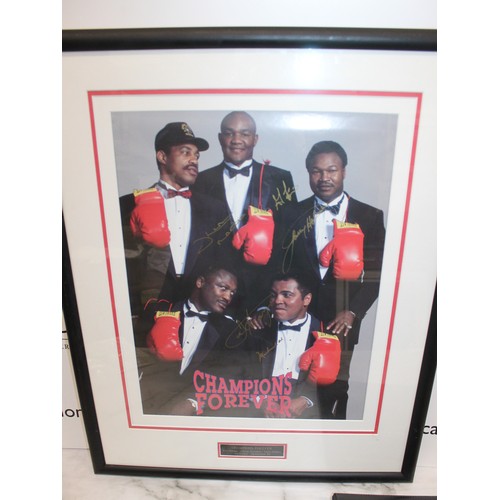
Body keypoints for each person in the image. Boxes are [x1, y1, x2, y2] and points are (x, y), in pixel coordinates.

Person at [270, 140, 386, 419]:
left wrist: (354, 312)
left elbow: (378, 274)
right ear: (308, 173)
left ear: (344, 171)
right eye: (316, 171)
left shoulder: (369, 216)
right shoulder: (290, 214)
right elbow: (276, 267)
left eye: (331, 170)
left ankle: (331, 437)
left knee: (335, 387)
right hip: (298, 315)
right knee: (291, 381)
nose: (324, 177)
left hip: (341, 319)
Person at [119, 122, 229, 324]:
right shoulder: (127, 205)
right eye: (185, 152)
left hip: (200, 314)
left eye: (196, 155)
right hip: (146, 312)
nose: (194, 160)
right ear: (162, 157)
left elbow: (225, 263)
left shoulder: (215, 209)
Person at [191, 111, 298, 316]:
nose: (236, 140)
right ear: (220, 138)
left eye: (245, 134)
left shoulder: (280, 178)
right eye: (229, 133)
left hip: (264, 294)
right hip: (216, 296)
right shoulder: (201, 181)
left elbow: (288, 242)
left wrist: (271, 299)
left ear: (255, 139)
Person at [137, 266, 257, 416]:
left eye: (232, 293)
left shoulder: (230, 330)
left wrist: (194, 402)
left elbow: (229, 375)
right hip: (146, 402)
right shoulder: (160, 313)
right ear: (200, 282)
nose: (228, 297)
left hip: (194, 411)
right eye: (223, 288)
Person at [250, 272, 341, 419]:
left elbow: (337, 382)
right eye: (273, 295)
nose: (277, 301)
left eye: (286, 295)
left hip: (309, 416)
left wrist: (306, 399)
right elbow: (240, 372)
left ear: (306, 299)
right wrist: (261, 399)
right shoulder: (258, 329)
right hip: (261, 414)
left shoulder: (326, 333)